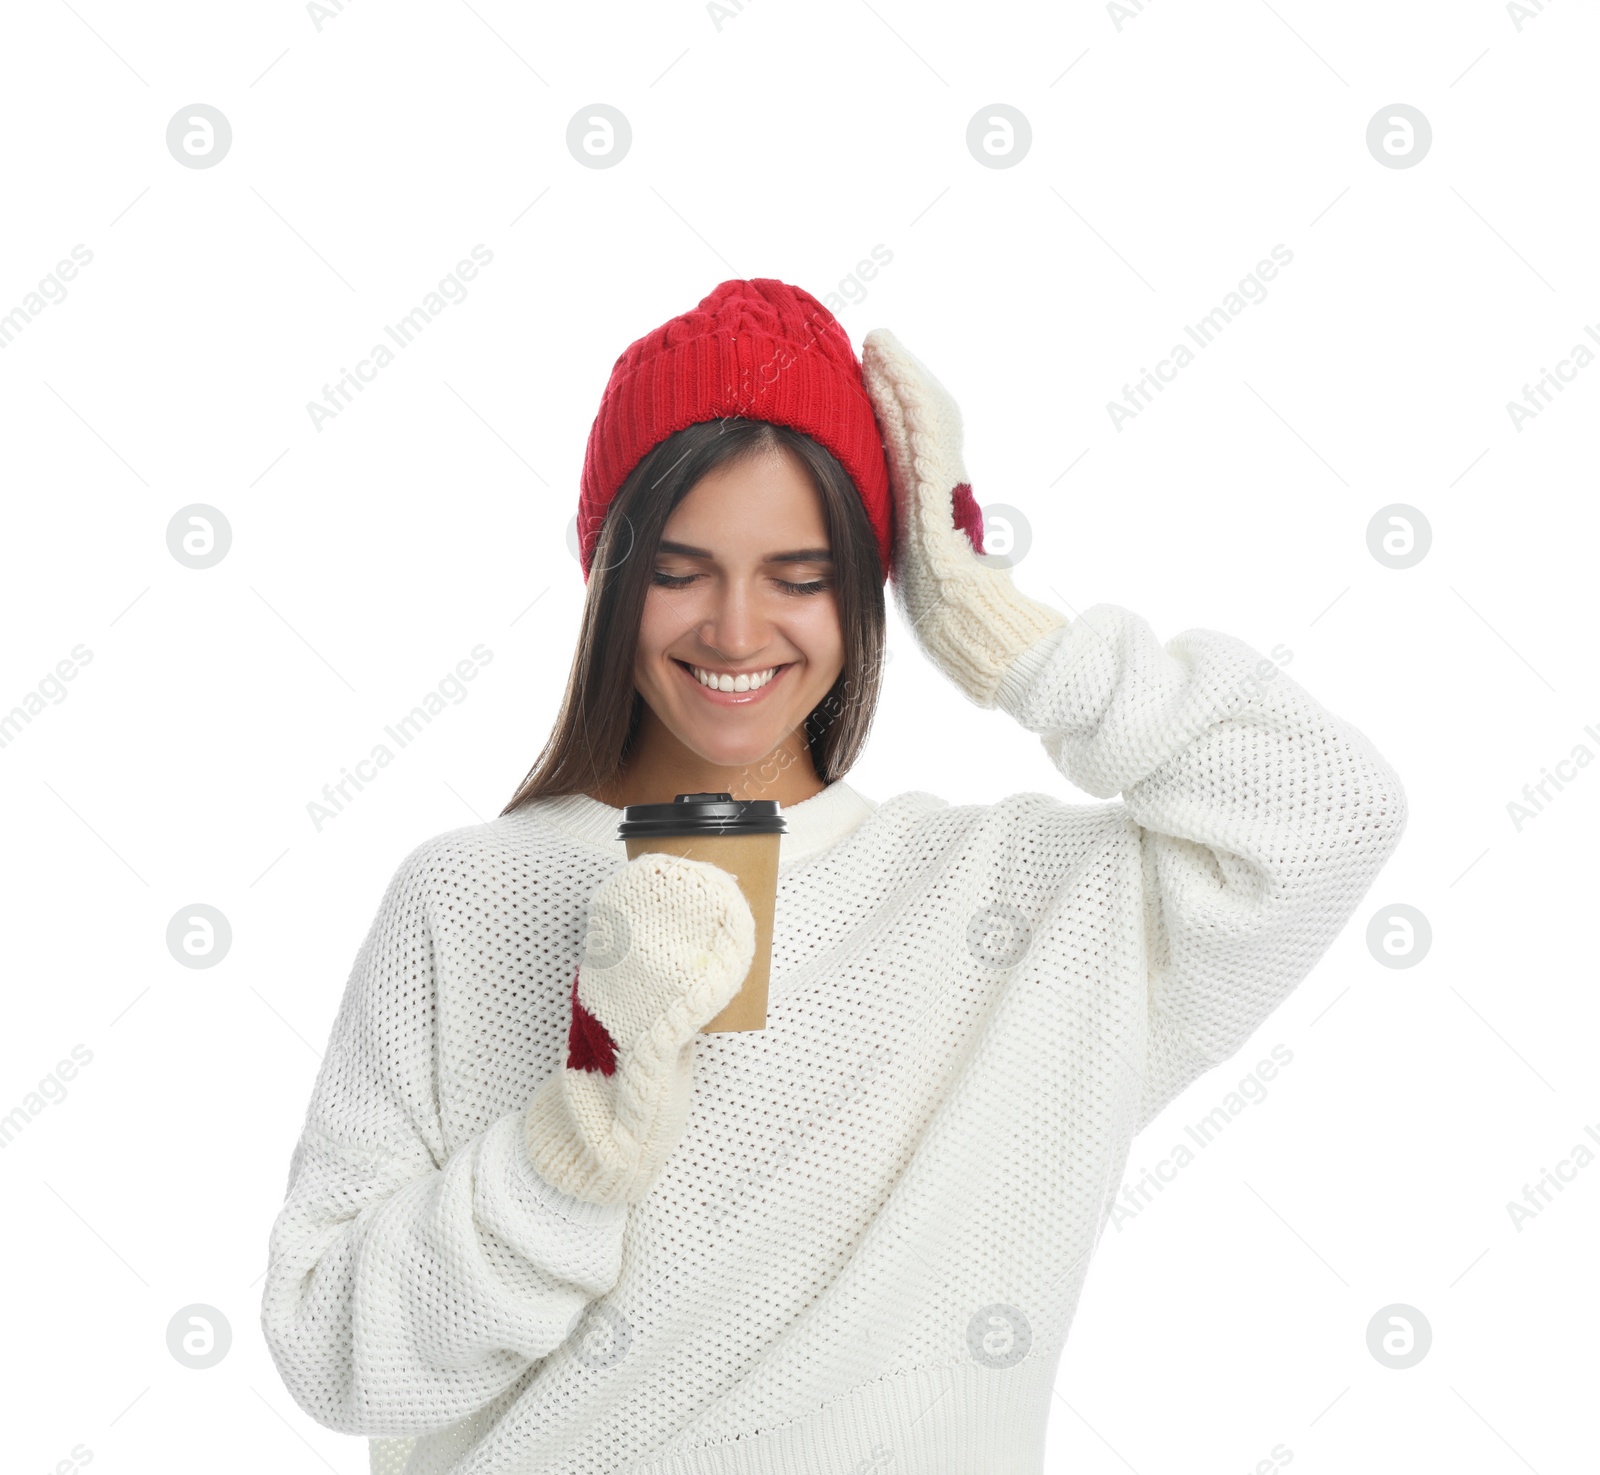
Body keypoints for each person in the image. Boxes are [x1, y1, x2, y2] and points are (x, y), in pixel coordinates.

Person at [260, 279, 1407, 1474]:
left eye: (799, 576)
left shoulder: (1016, 907)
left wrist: (995, 621)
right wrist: (568, 1152)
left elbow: (1326, 809)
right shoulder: (467, 896)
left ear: (868, 588)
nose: (736, 629)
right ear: (606, 572)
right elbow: (327, 1351)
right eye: (682, 568)